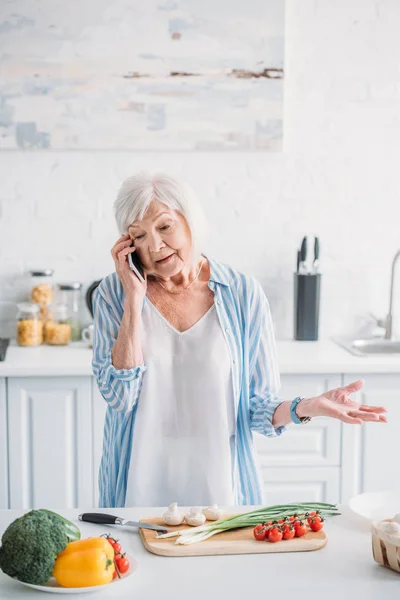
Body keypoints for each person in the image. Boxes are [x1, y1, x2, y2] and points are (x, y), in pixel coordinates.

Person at [92, 171, 388, 508]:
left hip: (220, 488)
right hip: (137, 486)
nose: (154, 246)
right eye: (139, 236)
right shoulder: (112, 296)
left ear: (190, 220)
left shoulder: (241, 293)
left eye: (164, 227)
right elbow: (118, 397)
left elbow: (255, 407)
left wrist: (305, 407)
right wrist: (133, 299)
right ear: (126, 245)